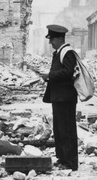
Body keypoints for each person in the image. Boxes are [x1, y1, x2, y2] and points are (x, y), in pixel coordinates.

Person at [38, 24, 79, 171]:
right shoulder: (59, 52)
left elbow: (68, 73)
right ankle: (62, 158)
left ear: (60, 39)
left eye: (52, 39)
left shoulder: (68, 52)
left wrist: (49, 76)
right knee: (60, 130)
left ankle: (70, 162)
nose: (50, 42)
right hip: (59, 97)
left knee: (67, 130)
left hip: (66, 98)